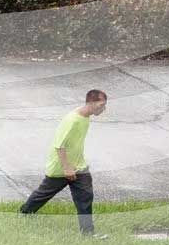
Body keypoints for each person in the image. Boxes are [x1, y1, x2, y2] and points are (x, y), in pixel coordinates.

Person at [20, 89, 108, 235]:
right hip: (62, 167)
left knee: (85, 196)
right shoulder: (72, 120)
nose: (103, 109)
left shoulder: (85, 117)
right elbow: (59, 145)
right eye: (101, 105)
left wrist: (78, 163)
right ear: (91, 103)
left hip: (78, 166)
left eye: (104, 105)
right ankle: (24, 214)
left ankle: (87, 233)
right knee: (43, 194)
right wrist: (67, 168)